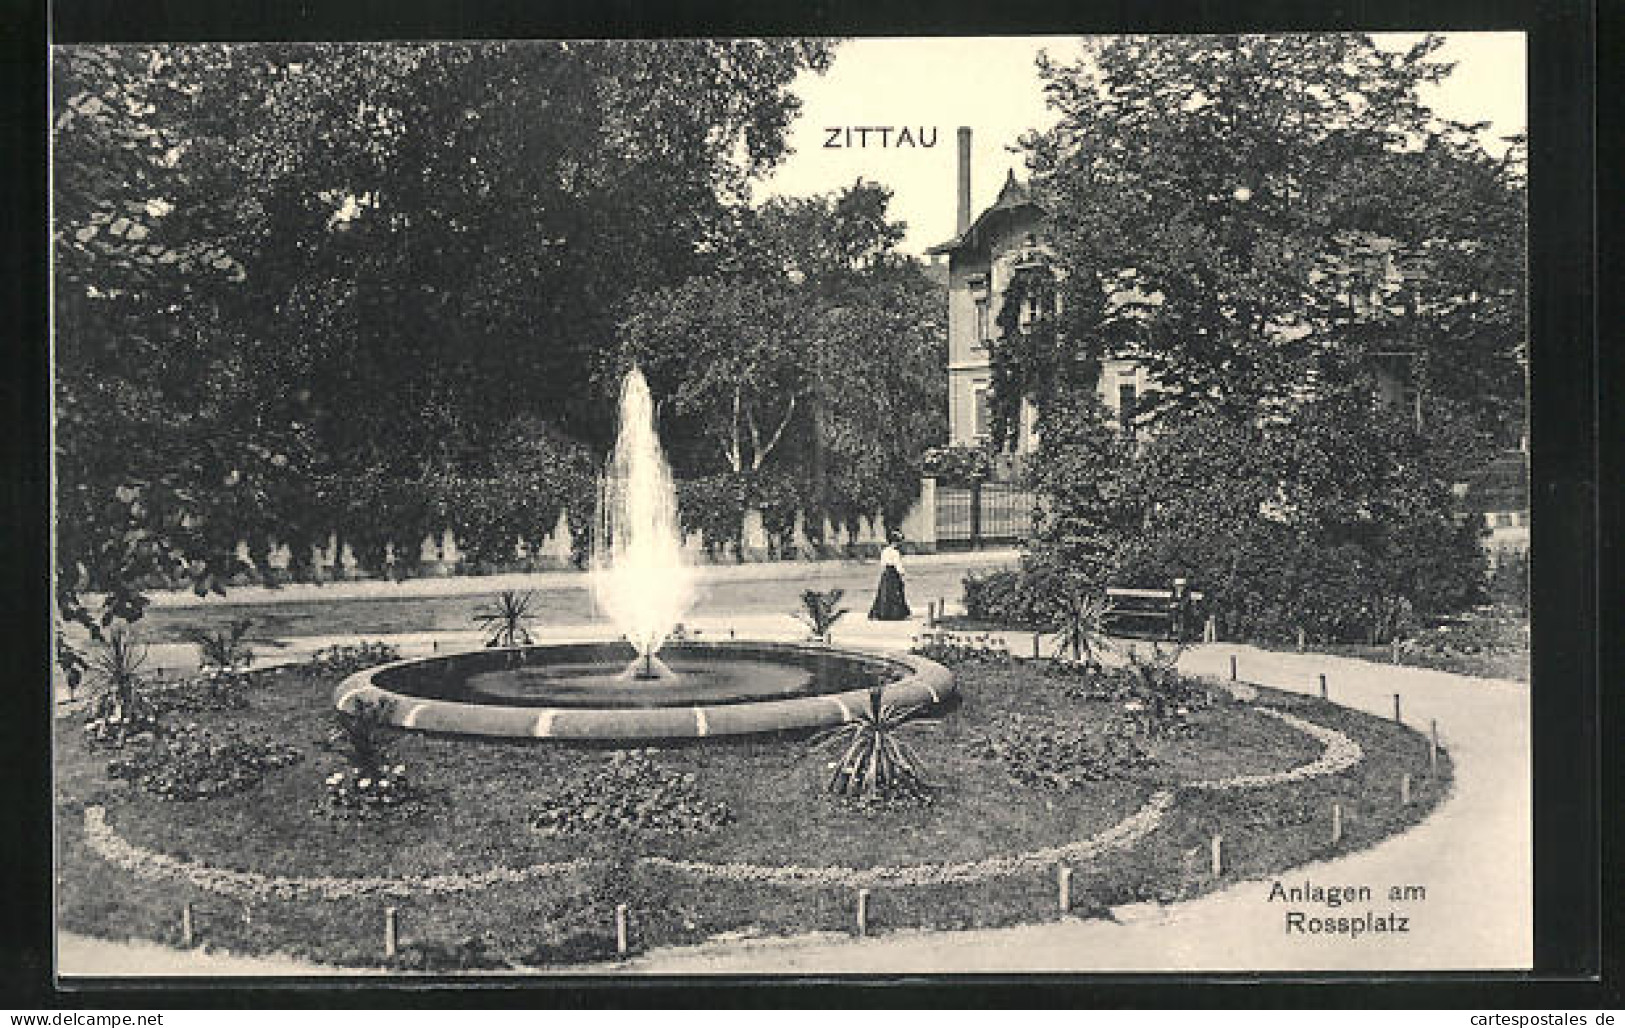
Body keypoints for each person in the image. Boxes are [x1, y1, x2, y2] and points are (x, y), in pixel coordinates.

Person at [868, 532, 911, 621]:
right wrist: (902, 574)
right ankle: (895, 614)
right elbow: (898, 564)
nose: (899, 544)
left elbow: (882, 563)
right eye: (898, 542)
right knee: (896, 593)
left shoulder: (884, 551)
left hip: (886, 573)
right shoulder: (895, 552)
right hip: (893, 573)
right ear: (895, 542)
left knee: (884, 593)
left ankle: (882, 612)